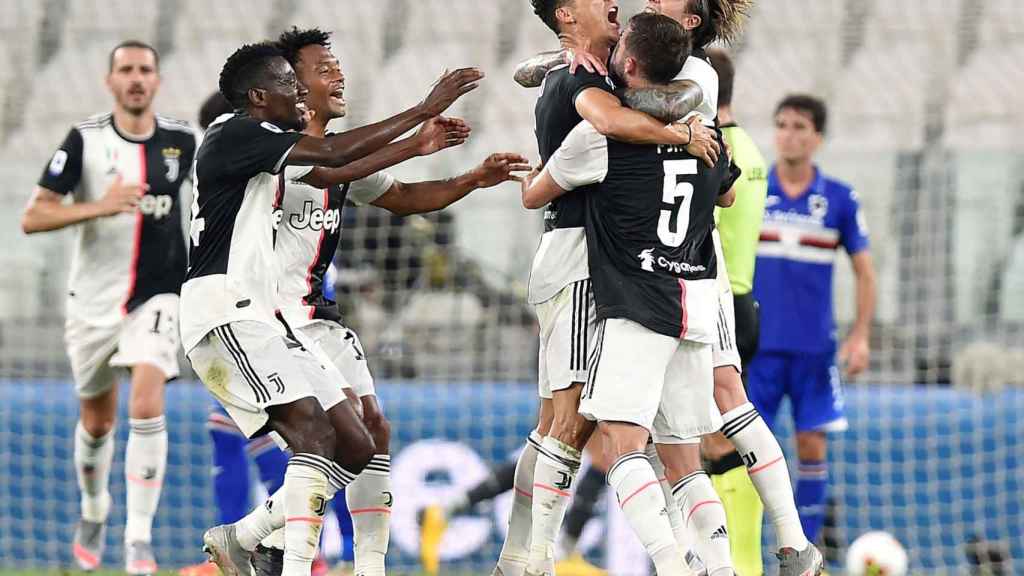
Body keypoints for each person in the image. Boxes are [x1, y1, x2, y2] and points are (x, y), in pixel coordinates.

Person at [183, 41, 482, 576]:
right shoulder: (236, 133)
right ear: (257, 95)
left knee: (358, 440)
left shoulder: (268, 144)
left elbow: (336, 165)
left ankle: (252, 537)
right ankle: (283, 557)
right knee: (318, 437)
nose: (297, 90)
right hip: (225, 311)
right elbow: (330, 160)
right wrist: (421, 113)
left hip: (264, 319)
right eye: (288, 81)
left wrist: (449, 165)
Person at [243, 27, 530, 576]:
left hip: (317, 317)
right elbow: (329, 166)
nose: (340, 75)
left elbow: (400, 198)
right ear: (292, 84)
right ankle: (267, 544)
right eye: (324, 69)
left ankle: (360, 565)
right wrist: (419, 121)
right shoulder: (272, 145)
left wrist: (473, 178)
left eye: (338, 65)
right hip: (270, 319)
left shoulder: (343, 153)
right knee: (337, 432)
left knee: (375, 429)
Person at [478, 2, 720, 575]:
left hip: (599, 260)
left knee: (561, 426)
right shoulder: (583, 81)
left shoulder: (590, 69)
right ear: (566, 13)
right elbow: (609, 120)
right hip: (583, 256)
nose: (614, 3)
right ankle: (536, 559)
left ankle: (520, 558)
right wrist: (680, 133)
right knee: (574, 424)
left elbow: (645, 91)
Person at [21, 40, 196, 576]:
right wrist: (104, 204)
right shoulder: (85, 141)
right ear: (110, 81)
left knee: (146, 400)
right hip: (93, 305)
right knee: (97, 423)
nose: (136, 78)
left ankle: (137, 540)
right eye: (126, 70)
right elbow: (34, 217)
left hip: (159, 294)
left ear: (158, 80)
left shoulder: (183, 142)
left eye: (145, 69)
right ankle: (94, 509)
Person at [748, 94, 876, 549]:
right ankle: (736, 549)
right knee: (740, 451)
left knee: (811, 449)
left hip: (813, 351)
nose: (789, 134)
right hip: (756, 348)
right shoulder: (750, 186)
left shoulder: (838, 198)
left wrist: (860, 336)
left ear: (817, 137)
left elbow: (865, 270)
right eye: (781, 124)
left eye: (800, 126)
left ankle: (803, 552)